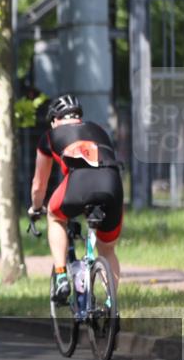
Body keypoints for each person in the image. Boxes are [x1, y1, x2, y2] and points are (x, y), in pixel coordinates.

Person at [28, 94, 123, 304]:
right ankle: (110, 305)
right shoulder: (100, 130)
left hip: (79, 183)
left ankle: (61, 275)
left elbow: (39, 184)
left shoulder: (50, 136)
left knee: (54, 215)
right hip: (112, 183)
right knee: (107, 250)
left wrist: (36, 209)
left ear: (54, 120)